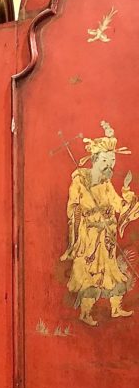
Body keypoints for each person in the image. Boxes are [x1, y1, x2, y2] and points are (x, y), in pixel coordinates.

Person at [61, 121, 139, 326]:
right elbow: (73, 208)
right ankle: (85, 313)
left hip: (106, 237)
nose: (109, 166)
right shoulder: (79, 182)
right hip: (89, 238)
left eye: (112, 162)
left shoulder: (106, 184)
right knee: (89, 274)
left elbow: (117, 205)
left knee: (111, 270)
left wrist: (128, 200)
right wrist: (90, 218)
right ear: (94, 159)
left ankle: (116, 308)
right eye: (105, 160)